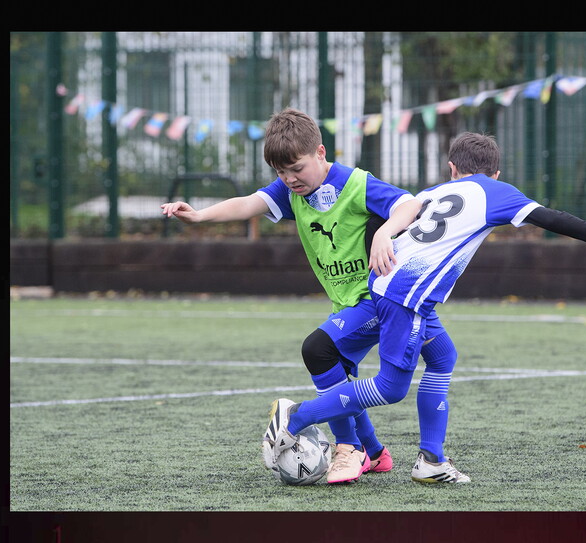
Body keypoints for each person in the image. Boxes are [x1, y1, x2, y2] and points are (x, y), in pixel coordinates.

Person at [263, 131, 586, 484]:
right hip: (405, 294)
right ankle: (298, 418)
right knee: (391, 389)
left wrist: (381, 238)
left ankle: (431, 459)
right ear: (496, 173)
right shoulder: (497, 191)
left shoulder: (434, 192)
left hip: (393, 286)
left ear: (452, 169)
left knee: (443, 357)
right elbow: (550, 218)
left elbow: (386, 219)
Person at [162, 108, 459, 484]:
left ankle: (348, 450)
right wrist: (199, 216)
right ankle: (378, 453)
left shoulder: (354, 183)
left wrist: (385, 233)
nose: (289, 179)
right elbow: (249, 203)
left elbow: (409, 204)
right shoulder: (292, 191)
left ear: (320, 153)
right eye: (281, 173)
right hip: (348, 302)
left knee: (317, 350)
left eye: (297, 169)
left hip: (377, 297)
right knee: (345, 376)